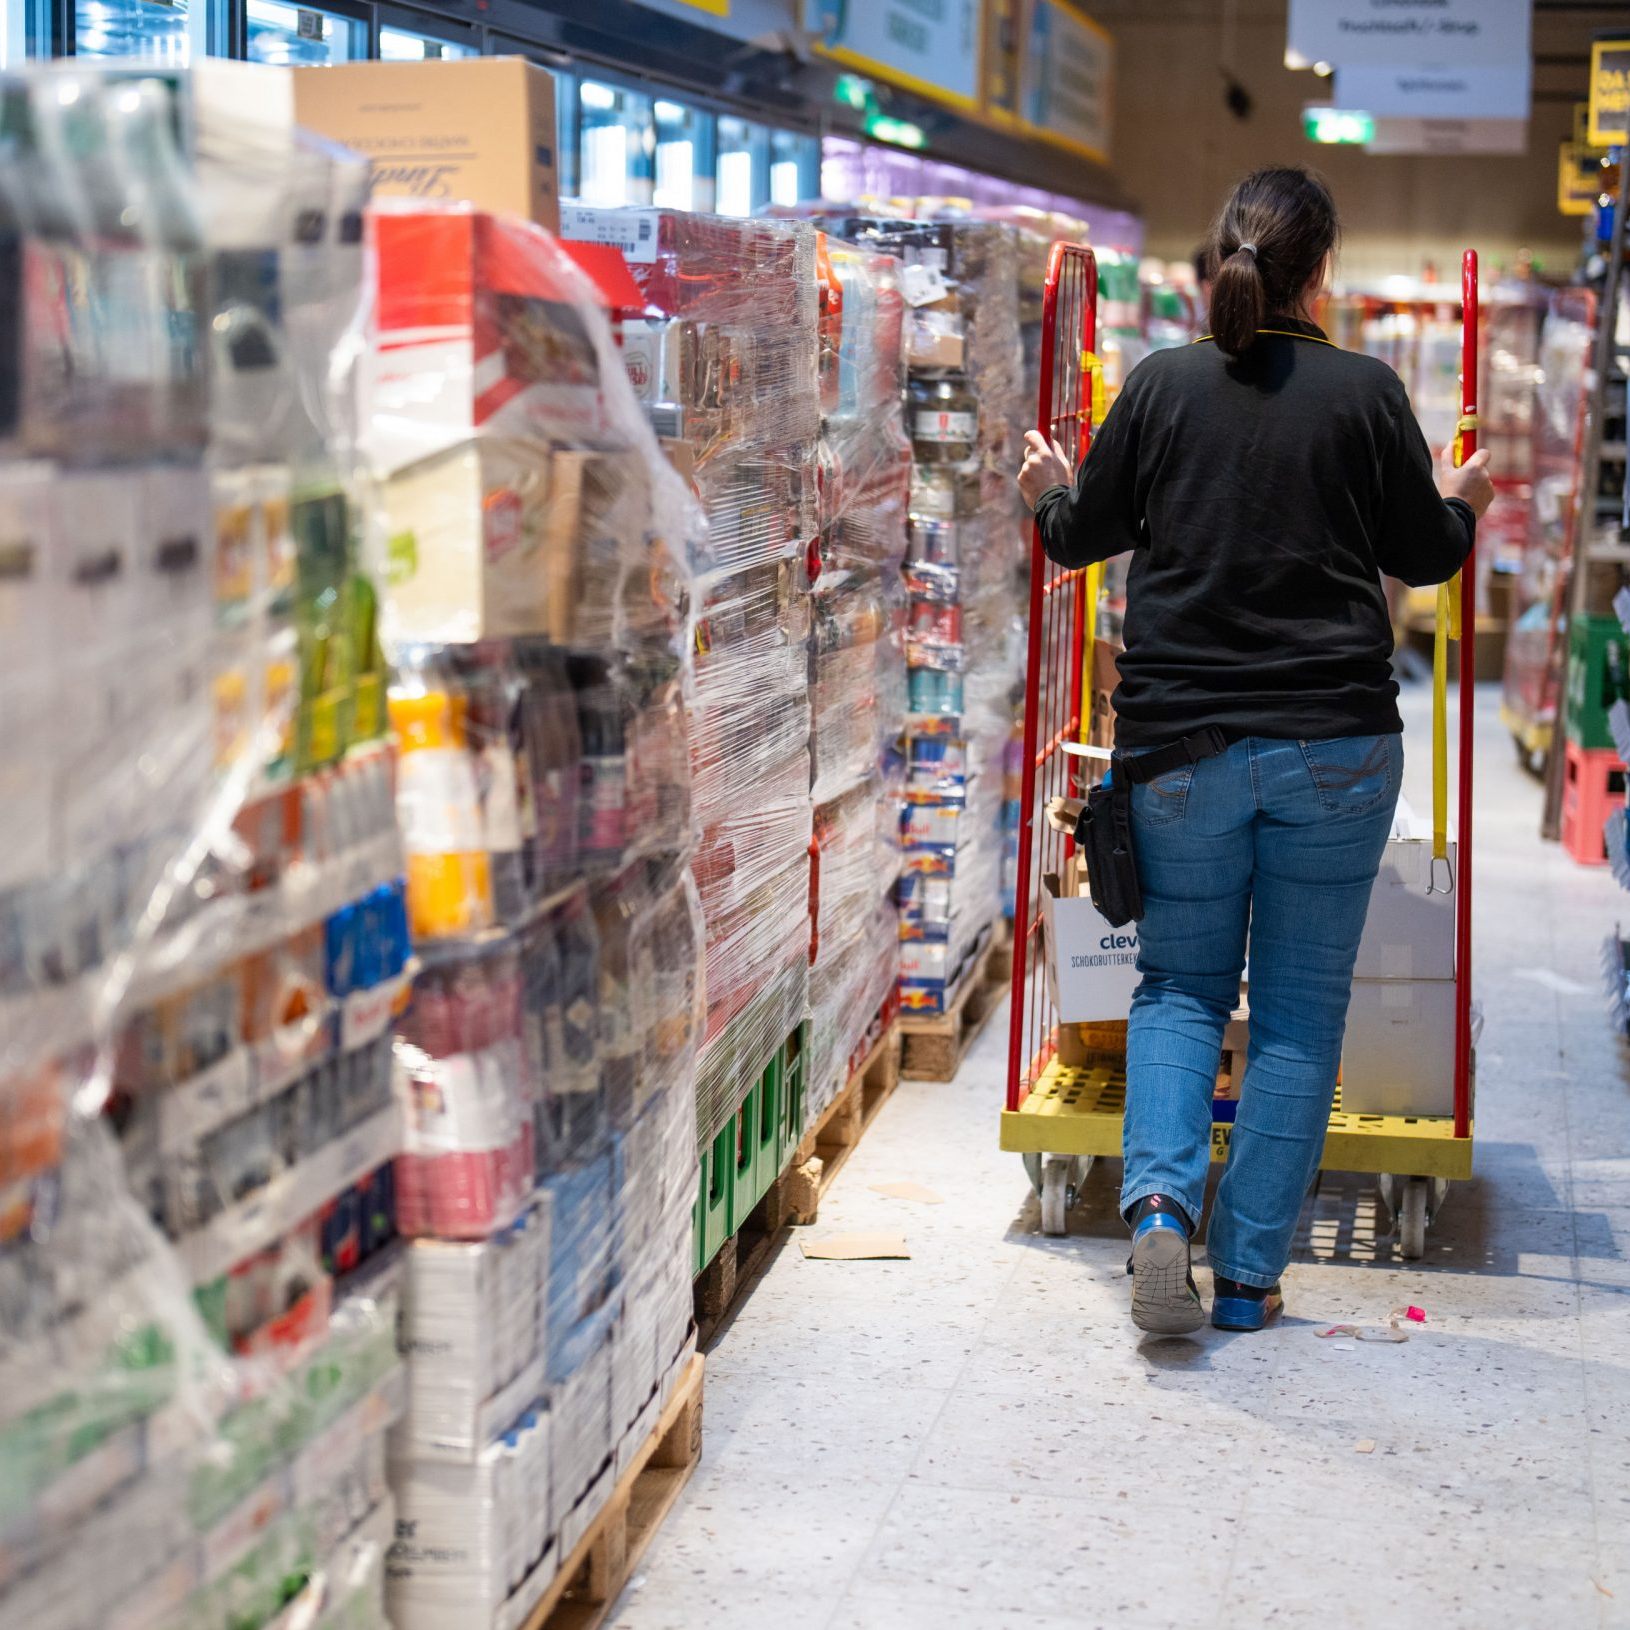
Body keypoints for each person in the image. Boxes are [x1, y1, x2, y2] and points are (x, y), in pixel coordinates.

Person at [1014, 166, 1494, 1336]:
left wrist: (1043, 492)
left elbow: (1081, 536)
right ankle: (1246, 1280)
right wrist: (1462, 497)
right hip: (1335, 745)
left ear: (1220, 259)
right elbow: (1425, 555)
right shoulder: (1367, 394)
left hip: (1179, 746)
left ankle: (1162, 1214)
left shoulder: (1161, 386)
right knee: (1294, 1008)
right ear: (1320, 271)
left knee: (1177, 984)